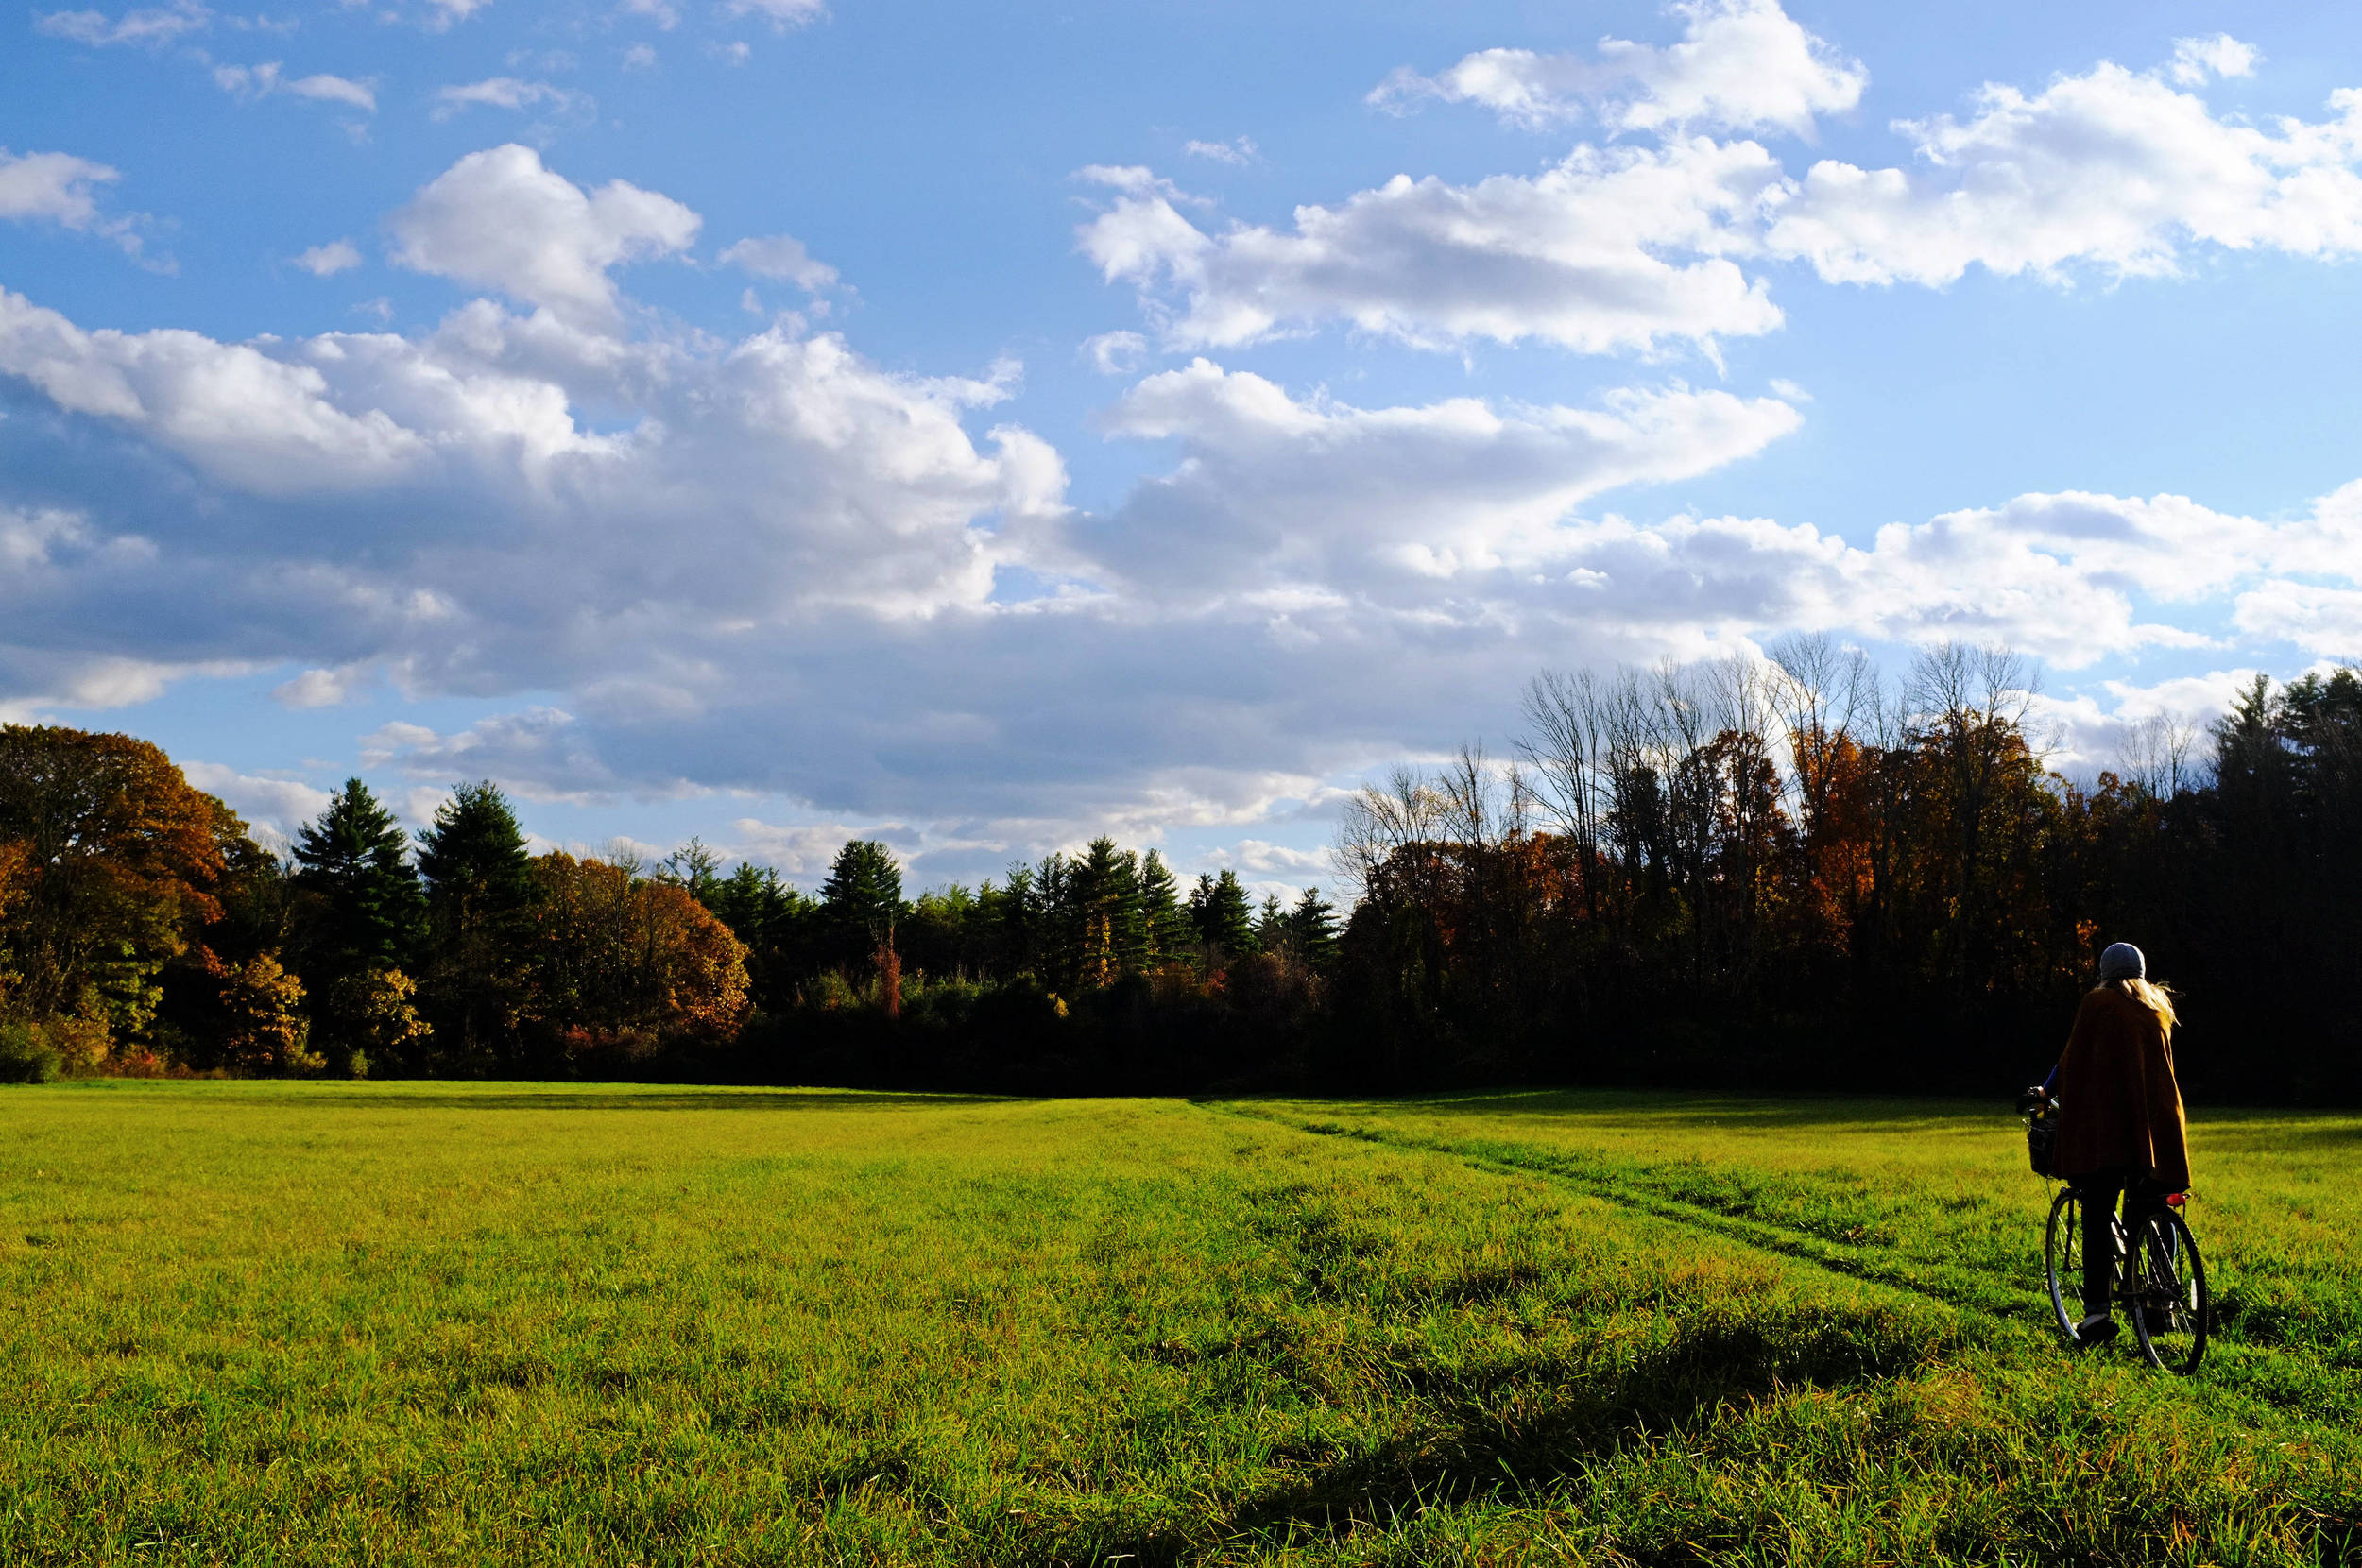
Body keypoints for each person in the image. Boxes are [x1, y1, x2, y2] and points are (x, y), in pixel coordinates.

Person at [2029, 942, 2190, 1346]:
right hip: (2159, 1128)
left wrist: (2045, 1093)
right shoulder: (2159, 1005)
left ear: (2104, 971)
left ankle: (2096, 1315)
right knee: (2151, 1206)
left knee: (2098, 1211)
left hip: (2112, 1130)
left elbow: (2071, 1060)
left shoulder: (2098, 1003)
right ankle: (2161, 1303)